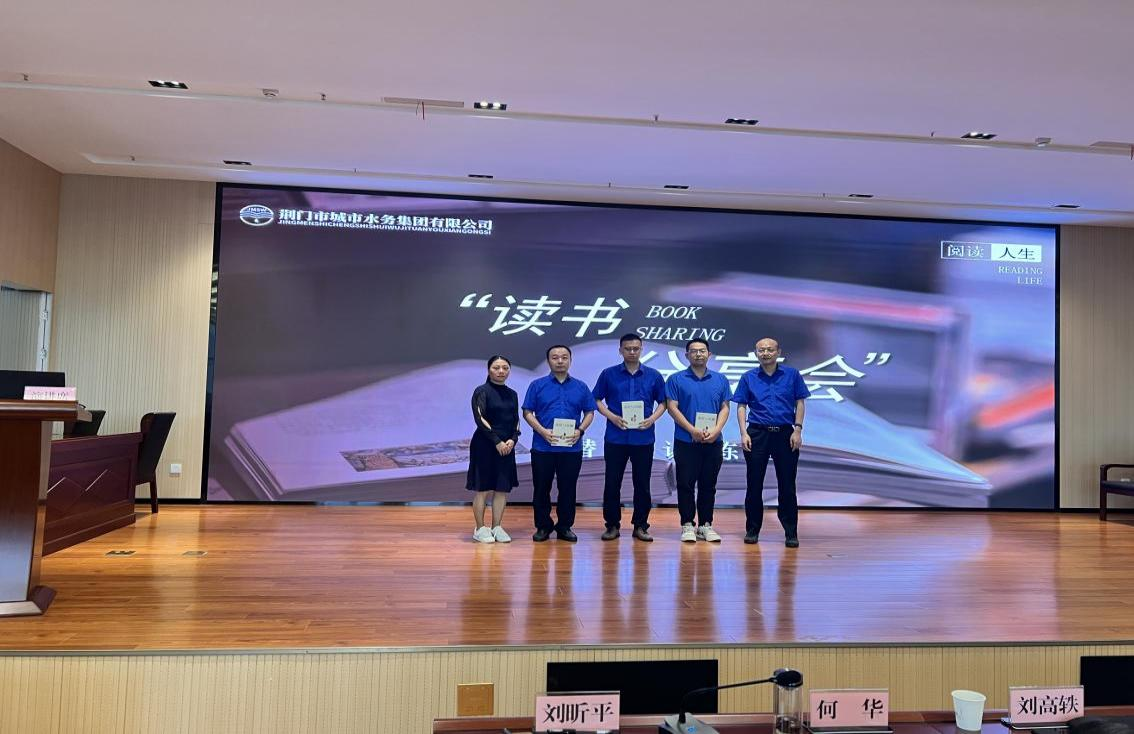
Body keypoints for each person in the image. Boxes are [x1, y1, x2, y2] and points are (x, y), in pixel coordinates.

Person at [731, 337, 810, 547]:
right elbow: (741, 406)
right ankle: (752, 530)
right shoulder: (748, 377)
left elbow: (800, 402)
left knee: (787, 485)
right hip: (757, 433)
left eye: (769, 349)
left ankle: (791, 532)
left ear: (778, 352)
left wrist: (798, 429)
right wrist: (743, 433)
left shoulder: (792, 375)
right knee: (754, 484)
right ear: (756, 353)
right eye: (761, 350)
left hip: (785, 434)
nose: (765, 353)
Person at [592, 333, 667, 542]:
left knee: (642, 484)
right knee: (612, 483)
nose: (632, 352)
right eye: (628, 348)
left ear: (641, 349)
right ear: (620, 350)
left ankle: (641, 525)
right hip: (616, 437)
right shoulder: (608, 374)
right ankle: (612, 525)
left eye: (636, 348)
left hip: (643, 438)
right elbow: (596, 399)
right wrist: (612, 417)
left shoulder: (653, 375)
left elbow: (663, 402)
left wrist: (652, 419)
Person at [522, 345, 596, 542]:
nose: (560, 361)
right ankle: (543, 526)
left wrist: (580, 431)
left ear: (570, 360)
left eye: (564, 357)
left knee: (568, 488)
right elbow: (527, 412)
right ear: (549, 361)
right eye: (555, 357)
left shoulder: (581, 386)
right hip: (543, 447)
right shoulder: (537, 385)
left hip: (571, 448)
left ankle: (564, 526)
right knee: (541, 488)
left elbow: (590, 412)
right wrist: (542, 431)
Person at [664, 338, 732, 543]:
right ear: (687, 355)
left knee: (708, 484)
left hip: (713, 440)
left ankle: (705, 525)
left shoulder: (720, 379)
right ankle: (687, 524)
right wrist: (691, 430)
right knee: (685, 483)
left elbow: (725, 407)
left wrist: (717, 429)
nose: (698, 354)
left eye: (702, 351)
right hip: (686, 440)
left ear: (709, 354)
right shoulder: (676, 379)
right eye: (694, 351)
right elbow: (672, 407)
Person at [466, 355, 521, 543]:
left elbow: (516, 420)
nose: (501, 371)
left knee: (501, 488)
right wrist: (497, 441)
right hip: (485, 445)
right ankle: (480, 528)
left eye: (505, 368)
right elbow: (480, 418)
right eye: (496, 367)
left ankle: (497, 526)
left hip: (506, 446)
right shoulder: (481, 391)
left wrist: (513, 439)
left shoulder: (512, 394)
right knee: (482, 488)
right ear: (488, 370)